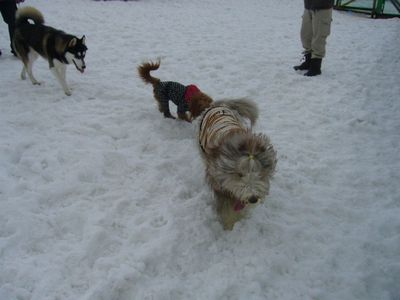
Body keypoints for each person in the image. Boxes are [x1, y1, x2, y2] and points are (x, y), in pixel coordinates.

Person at [294, 0, 333, 76]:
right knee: (305, 35)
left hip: (323, 7)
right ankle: (308, 62)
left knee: (319, 37)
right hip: (309, 5)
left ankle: (316, 67)